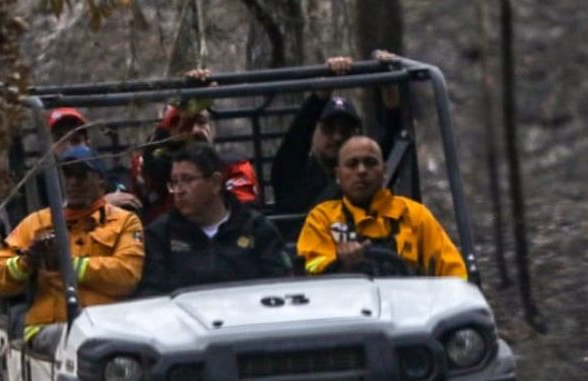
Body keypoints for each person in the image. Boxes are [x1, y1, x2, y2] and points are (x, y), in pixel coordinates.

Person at [0, 145, 145, 352]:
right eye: (68, 175)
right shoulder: (37, 222)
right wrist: (26, 263)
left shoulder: (125, 222)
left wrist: (68, 265)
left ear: (101, 182)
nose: (73, 182)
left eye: (82, 175)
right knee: (81, 347)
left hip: (107, 326)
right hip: (51, 327)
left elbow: (127, 276)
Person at [297, 136, 467, 279]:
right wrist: (340, 262)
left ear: (384, 170)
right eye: (352, 164)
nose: (362, 170)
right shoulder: (322, 219)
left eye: (370, 163)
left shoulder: (414, 215)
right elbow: (310, 271)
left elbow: (454, 272)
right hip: (347, 310)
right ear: (338, 174)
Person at [137, 142, 290, 296]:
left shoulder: (257, 228)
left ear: (216, 183)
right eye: (175, 182)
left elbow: (280, 286)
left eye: (187, 179)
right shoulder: (160, 234)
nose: (179, 190)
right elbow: (151, 295)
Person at [272, 53, 403, 214]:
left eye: (346, 131)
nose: (337, 137)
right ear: (315, 131)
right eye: (329, 128)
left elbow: (392, 137)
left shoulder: (363, 176)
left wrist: (385, 74)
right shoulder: (292, 174)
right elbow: (298, 136)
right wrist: (324, 87)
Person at [130, 73, 260, 225]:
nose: (195, 130)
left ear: (213, 129)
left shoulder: (234, 167)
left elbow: (244, 219)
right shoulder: (149, 166)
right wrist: (182, 106)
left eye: (201, 122)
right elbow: (150, 171)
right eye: (186, 123)